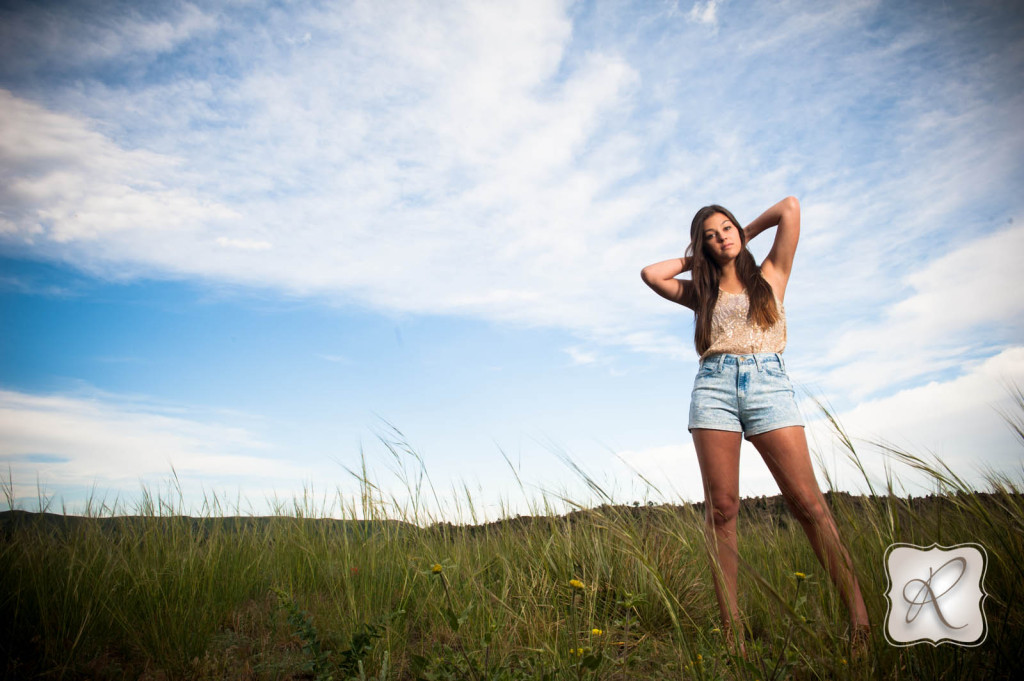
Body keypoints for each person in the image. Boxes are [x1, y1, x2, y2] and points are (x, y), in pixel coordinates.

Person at [640, 197, 869, 655]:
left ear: (739, 231)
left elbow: (789, 208)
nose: (721, 237)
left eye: (726, 228)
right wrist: (699, 257)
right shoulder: (701, 293)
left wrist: (744, 233)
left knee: (809, 506)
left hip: (769, 387)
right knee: (722, 511)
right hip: (714, 390)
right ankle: (733, 637)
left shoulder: (771, 275)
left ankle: (860, 625)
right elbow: (652, 274)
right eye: (710, 234)